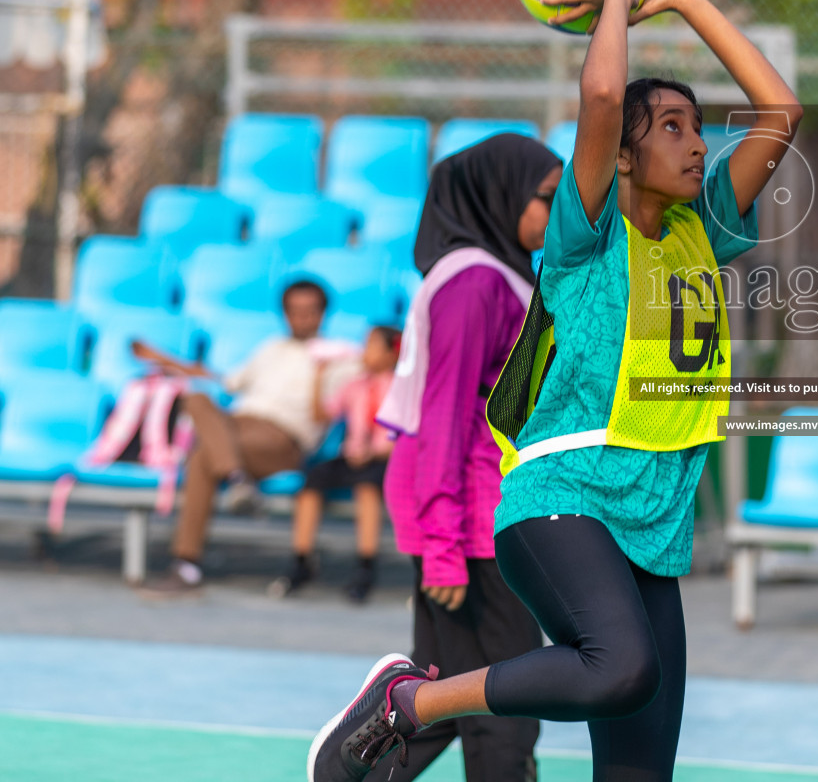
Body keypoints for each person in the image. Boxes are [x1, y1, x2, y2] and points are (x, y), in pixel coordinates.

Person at [308, 0, 800, 782]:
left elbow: (780, 111)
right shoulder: (587, 237)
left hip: (654, 517)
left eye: (697, 125)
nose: (696, 142)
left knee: (641, 772)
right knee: (619, 667)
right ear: (628, 157)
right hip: (562, 493)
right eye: (672, 127)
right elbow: (604, 99)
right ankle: (405, 702)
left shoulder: (703, 231)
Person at [362, 132, 563, 782]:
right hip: (468, 521)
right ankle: (344, 768)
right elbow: (445, 418)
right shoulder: (474, 283)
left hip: (479, 506)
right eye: (546, 198)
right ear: (498, 196)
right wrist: (445, 546)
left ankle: (347, 769)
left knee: (442, 697)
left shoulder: (496, 272)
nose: (555, 214)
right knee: (505, 702)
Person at [135, 279, 354, 594]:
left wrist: (322, 374)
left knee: (202, 455)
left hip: (283, 439)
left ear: (323, 314)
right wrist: (165, 360)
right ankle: (237, 478)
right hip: (238, 426)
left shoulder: (342, 359)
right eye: (294, 311)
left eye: (309, 312)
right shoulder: (271, 349)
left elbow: (327, 414)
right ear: (284, 314)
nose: (302, 318)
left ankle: (186, 566)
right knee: (196, 399)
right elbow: (224, 381)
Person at [271, 324, 402, 604]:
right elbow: (323, 415)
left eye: (371, 345)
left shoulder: (400, 388)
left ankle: (366, 565)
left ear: (392, 353)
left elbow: (400, 432)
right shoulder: (355, 385)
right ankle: (301, 558)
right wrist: (320, 376)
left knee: (367, 489)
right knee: (312, 481)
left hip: (384, 458)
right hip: (353, 454)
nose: (364, 352)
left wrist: (376, 453)